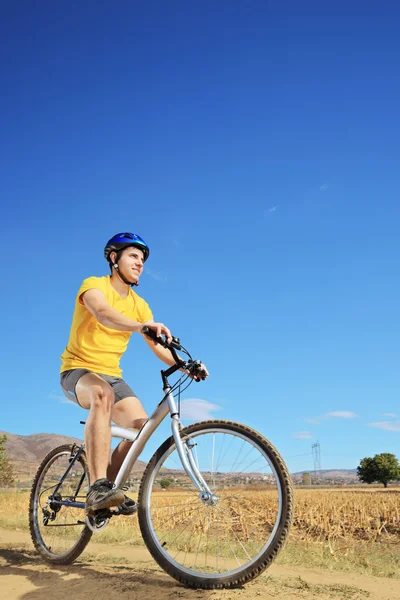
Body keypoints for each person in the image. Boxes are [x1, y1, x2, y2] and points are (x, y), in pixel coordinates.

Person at [60, 232, 208, 515]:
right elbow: (103, 313)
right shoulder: (94, 285)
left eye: (142, 259)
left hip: (112, 376)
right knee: (101, 395)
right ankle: (98, 488)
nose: (140, 263)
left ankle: (109, 489)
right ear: (114, 259)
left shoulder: (140, 305)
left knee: (141, 427)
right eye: (133, 256)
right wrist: (140, 326)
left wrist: (184, 365)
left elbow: (157, 345)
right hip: (78, 370)